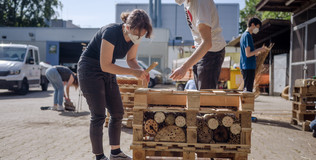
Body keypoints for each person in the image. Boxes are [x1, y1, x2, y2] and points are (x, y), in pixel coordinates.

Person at [77, 9, 152, 160]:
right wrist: (133, 73)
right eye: (137, 35)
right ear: (128, 27)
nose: (138, 39)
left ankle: (115, 153)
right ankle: (99, 156)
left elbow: (131, 59)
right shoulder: (111, 32)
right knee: (98, 115)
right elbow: (105, 65)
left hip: (107, 70)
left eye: (142, 36)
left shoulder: (135, 37)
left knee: (117, 112)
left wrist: (141, 72)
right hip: (89, 70)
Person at [170, 0, 227, 90]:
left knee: (205, 98)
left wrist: (184, 67)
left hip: (212, 52)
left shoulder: (201, 3)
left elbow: (207, 43)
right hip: (201, 50)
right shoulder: (187, 2)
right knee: (199, 95)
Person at [240, 17, 267, 92]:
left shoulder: (244, 35)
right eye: (257, 27)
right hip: (248, 66)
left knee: (246, 89)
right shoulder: (247, 36)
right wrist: (260, 49)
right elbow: (248, 54)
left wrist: (256, 53)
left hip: (245, 65)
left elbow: (250, 53)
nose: (257, 29)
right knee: (248, 91)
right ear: (252, 25)